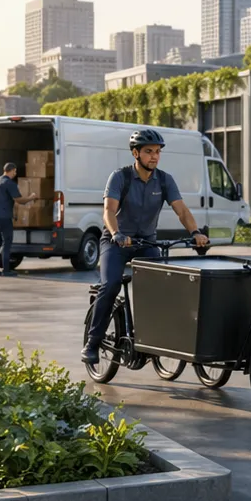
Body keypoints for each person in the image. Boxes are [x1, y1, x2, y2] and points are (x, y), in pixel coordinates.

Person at [83, 129, 207, 362]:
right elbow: (109, 211)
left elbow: (181, 210)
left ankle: (151, 338)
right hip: (116, 241)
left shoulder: (164, 179)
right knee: (110, 286)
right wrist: (117, 233)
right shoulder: (121, 177)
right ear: (135, 153)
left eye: (158, 152)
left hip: (146, 242)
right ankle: (93, 342)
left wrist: (195, 232)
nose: (154, 156)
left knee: (163, 287)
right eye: (149, 152)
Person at [0, 162, 36, 276]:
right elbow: (19, 200)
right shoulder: (9, 183)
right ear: (12, 170)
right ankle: (6, 270)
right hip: (4, 216)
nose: (15, 173)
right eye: (15, 171)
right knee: (7, 242)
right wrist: (31, 197)